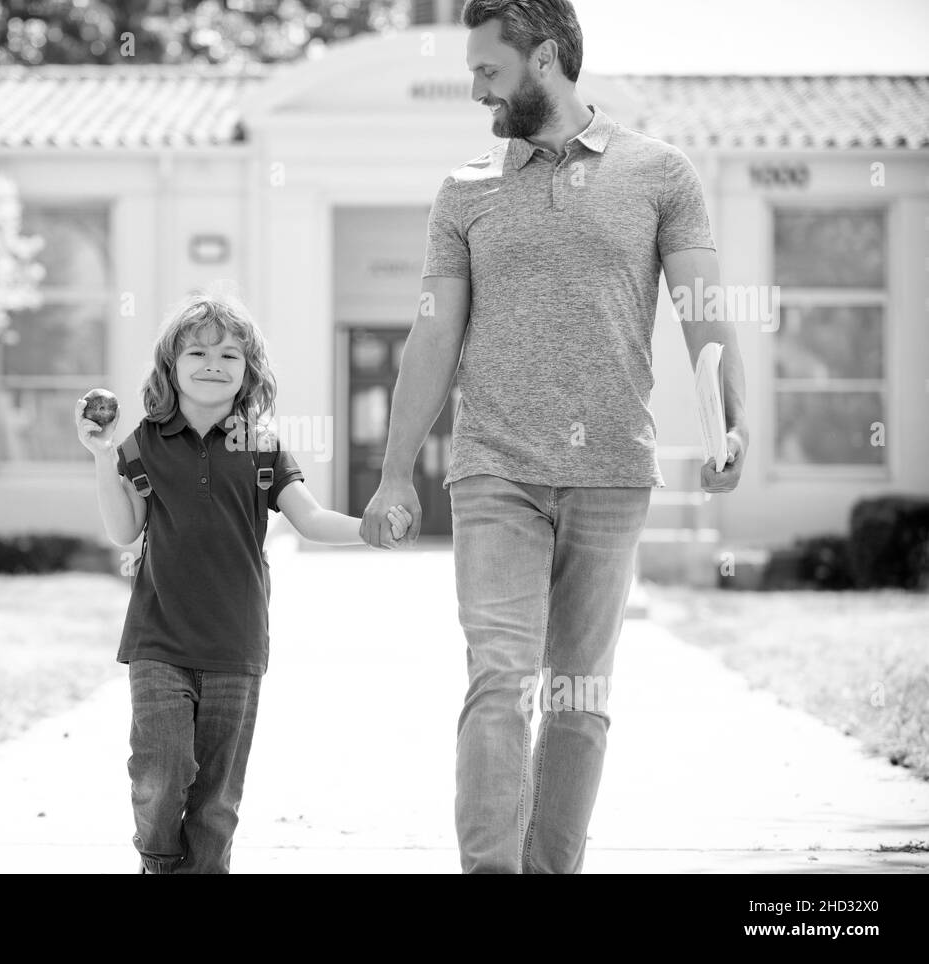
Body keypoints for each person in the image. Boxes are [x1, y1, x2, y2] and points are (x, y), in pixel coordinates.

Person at [359, 0, 749, 873]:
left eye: (487, 71)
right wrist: (393, 475)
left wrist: (730, 417)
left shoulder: (660, 174)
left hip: (612, 471)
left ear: (543, 60)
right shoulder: (465, 187)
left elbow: (704, 310)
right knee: (501, 676)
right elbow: (433, 335)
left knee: (578, 696)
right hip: (496, 468)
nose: (474, 91)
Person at [76, 288, 411, 874]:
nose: (213, 365)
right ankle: (158, 863)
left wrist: (368, 530)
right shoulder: (144, 443)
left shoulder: (262, 447)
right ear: (170, 368)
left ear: (249, 372)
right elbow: (124, 530)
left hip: (236, 644)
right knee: (160, 771)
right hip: (159, 638)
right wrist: (104, 459)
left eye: (230, 355)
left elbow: (309, 519)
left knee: (218, 798)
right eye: (197, 354)